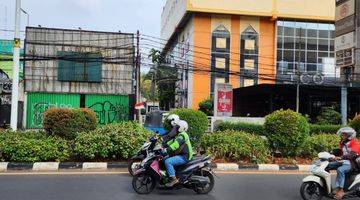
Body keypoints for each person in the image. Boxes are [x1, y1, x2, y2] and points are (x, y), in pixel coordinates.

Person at [328, 127, 360, 200]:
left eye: (344, 135)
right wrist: (330, 154)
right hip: (343, 161)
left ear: (349, 135)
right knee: (327, 165)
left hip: (352, 163)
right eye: (342, 135)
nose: (342, 136)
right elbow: (339, 151)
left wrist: (341, 157)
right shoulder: (343, 142)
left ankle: (340, 189)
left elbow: (352, 154)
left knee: (340, 170)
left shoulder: (355, 143)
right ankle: (326, 186)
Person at [162, 120, 193, 187]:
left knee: (168, 162)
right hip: (181, 155)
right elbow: (172, 142)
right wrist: (163, 145)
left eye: (177, 127)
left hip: (185, 156)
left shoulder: (183, 135)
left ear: (181, 127)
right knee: (164, 159)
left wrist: (168, 149)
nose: (175, 128)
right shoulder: (179, 135)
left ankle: (173, 179)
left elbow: (176, 144)